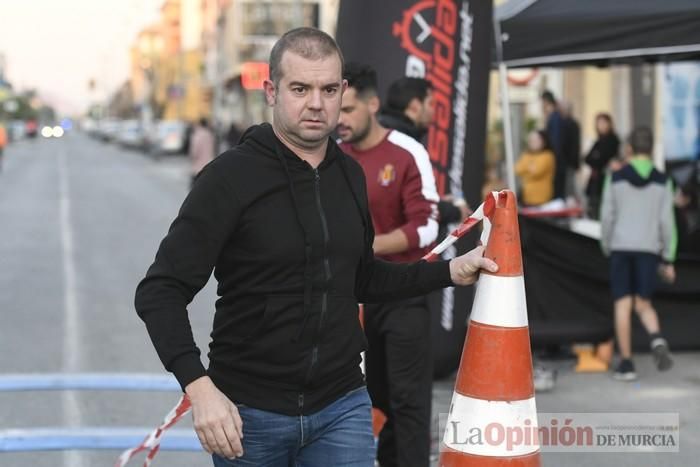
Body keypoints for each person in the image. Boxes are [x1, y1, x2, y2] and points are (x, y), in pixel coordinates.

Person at [134, 27, 498, 467]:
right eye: (300, 88)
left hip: (340, 406)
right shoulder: (229, 178)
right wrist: (199, 387)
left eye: (328, 90)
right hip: (250, 415)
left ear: (343, 91)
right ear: (272, 90)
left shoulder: (348, 175)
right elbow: (160, 292)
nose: (316, 103)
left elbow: (360, 276)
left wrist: (448, 271)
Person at [337, 63, 439, 467]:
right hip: (352, 299)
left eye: (347, 110)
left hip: (402, 294)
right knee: (375, 400)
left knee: (408, 402)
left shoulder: (407, 151)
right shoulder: (331, 156)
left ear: (372, 104)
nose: (338, 120)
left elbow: (427, 226)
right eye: (335, 109)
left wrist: (368, 246)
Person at [600, 127, 676, 381]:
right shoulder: (664, 181)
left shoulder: (616, 177)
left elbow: (607, 216)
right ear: (652, 148)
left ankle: (627, 364)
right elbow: (668, 223)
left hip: (621, 246)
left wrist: (607, 244)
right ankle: (656, 338)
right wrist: (668, 257)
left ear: (629, 148)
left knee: (623, 304)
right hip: (648, 249)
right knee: (644, 304)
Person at [380, 77, 470, 225]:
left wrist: (437, 202)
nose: (433, 111)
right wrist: (456, 212)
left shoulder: (386, 136)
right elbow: (411, 208)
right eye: (430, 103)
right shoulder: (405, 147)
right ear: (415, 106)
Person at [584, 113, 620, 218]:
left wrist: (596, 158)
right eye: (598, 123)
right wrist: (596, 158)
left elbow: (602, 159)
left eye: (603, 123)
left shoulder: (613, 140)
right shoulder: (599, 141)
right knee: (593, 209)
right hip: (595, 182)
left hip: (606, 181)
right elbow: (587, 158)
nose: (601, 126)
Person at [515, 130, 556, 206]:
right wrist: (529, 168)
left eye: (536, 140)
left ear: (543, 141)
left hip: (541, 197)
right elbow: (517, 169)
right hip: (527, 196)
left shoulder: (547, 155)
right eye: (531, 140)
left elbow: (537, 171)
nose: (533, 143)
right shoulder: (527, 155)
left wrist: (525, 171)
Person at [541, 91, 568, 200]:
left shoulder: (555, 118)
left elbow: (555, 141)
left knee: (557, 191)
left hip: (557, 161)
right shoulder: (554, 117)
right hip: (558, 159)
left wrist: (553, 159)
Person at [188, 118, 216, 187]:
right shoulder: (210, 135)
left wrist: (192, 158)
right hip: (209, 163)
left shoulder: (197, 135)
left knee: (195, 189)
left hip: (198, 167)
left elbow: (194, 151)